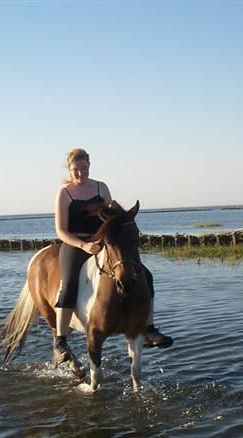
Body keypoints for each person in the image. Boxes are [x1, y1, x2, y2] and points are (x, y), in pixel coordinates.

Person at [53, 148, 173, 365]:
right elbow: (61, 230)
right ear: (69, 170)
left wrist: (113, 235)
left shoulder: (101, 187)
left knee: (145, 274)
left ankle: (149, 328)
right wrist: (84, 244)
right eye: (75, 170)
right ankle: (61, 341)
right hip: (76, 243)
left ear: (89, 165)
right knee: (69, 282)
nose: (80, 173)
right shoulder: (65, 193)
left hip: (103, 242)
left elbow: (113, 218)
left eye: (84, 168)